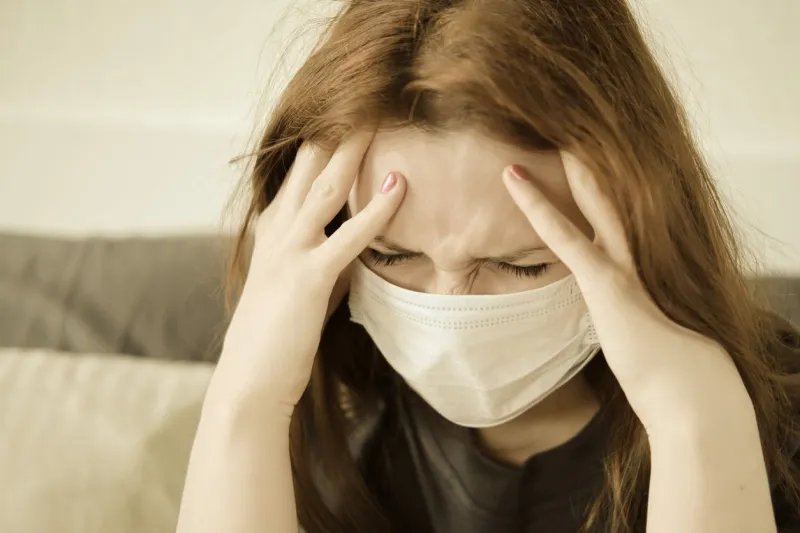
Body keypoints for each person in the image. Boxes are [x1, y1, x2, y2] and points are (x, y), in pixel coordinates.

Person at [176, 1, 800, 532]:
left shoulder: (778, 424)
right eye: (390, 254)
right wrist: (246, 402)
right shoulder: (331, 433)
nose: (452, 311)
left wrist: (695, 417)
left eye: (520, 264)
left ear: (645, 229)